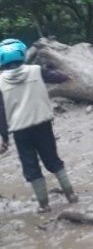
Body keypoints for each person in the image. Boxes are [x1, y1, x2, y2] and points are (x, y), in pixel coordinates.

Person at [0, 38, 78, 213]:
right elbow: (55, 76)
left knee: (31, 167)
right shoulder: (36, 71)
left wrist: (4, 137)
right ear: (21, 54)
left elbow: (1, 113)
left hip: (21, 132)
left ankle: (44, 205)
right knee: (53, 160)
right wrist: (66, 77)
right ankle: (71, 195)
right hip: (43, 125)